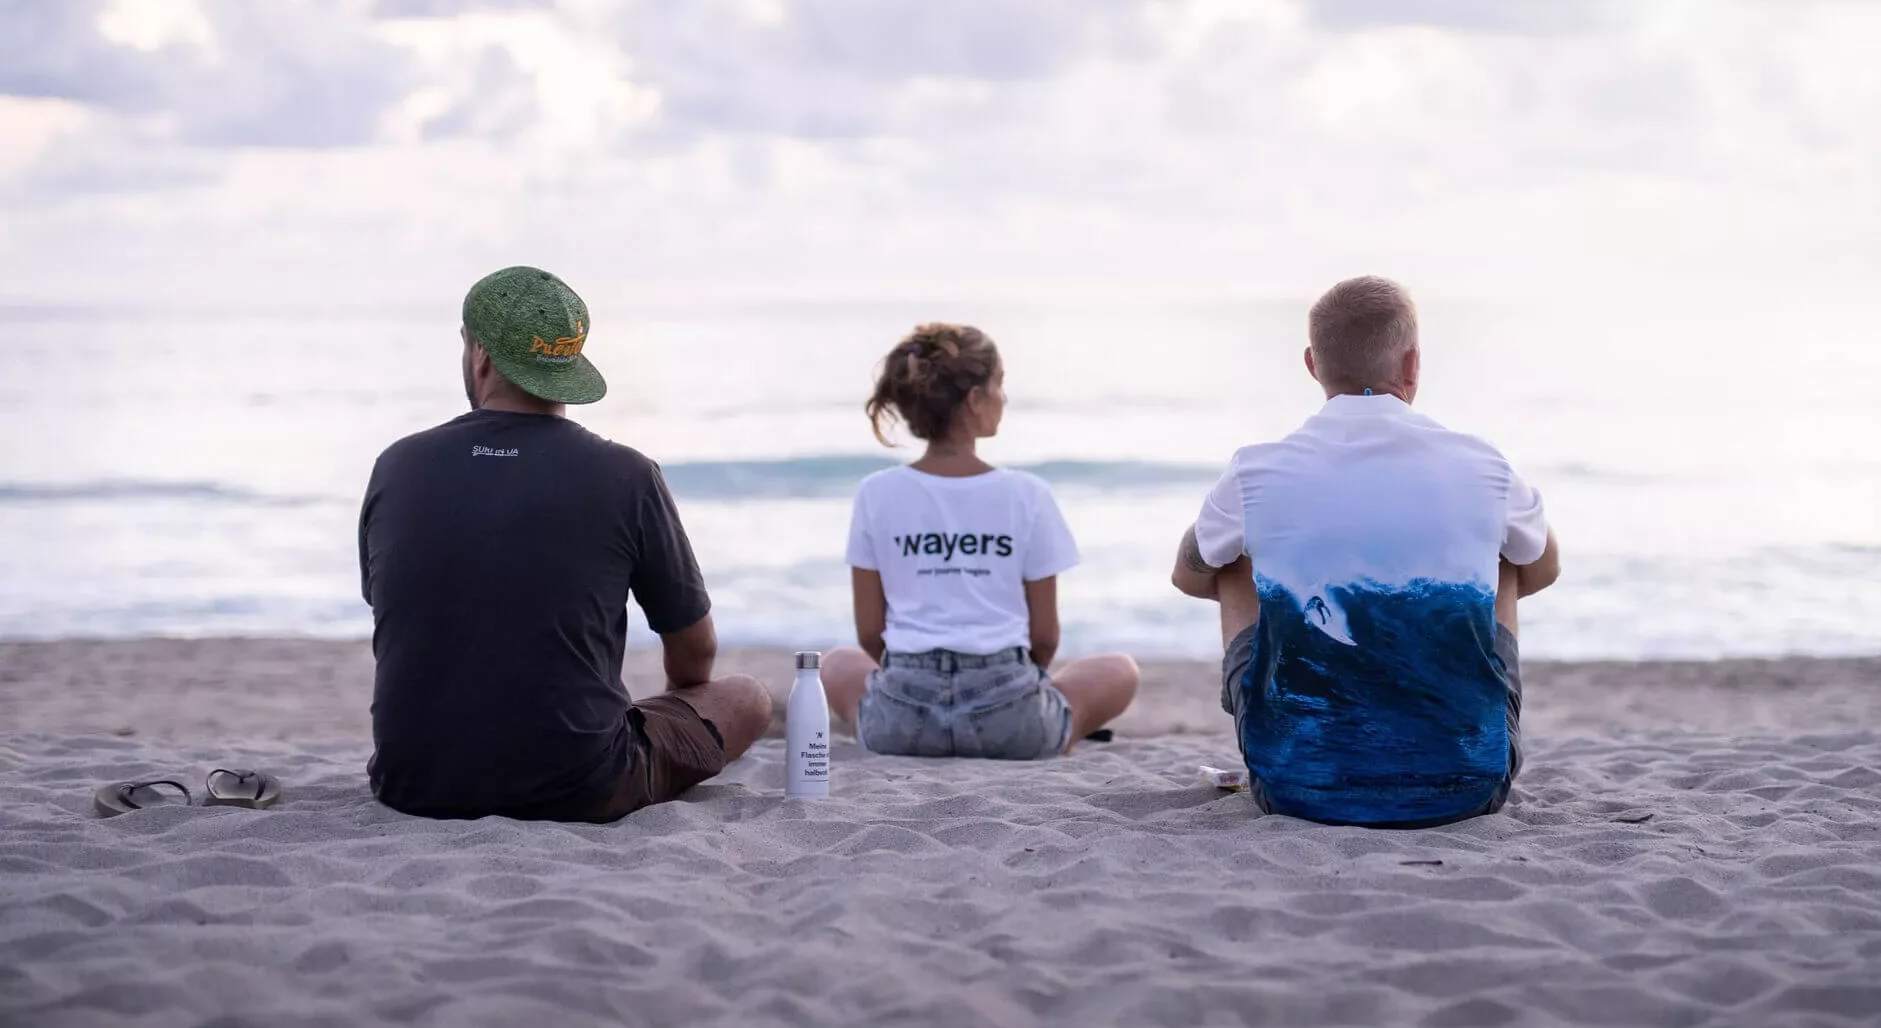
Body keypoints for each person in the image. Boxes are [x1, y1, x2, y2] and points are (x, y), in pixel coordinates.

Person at [358, 265, 771, 821]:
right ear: (569, 360)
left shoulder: (397, 465)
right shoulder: (625, 474)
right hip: (578, 787)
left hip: (411, 782)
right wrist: (679, 706)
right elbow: (695, 652)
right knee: (747, 696)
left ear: (480, 355)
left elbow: (398, 605)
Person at [1171, 277, 1560, 828]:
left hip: (1295, 788)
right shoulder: (1483, 464)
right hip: (1470, 787)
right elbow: (1542, 568)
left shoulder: (1256, 469)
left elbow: (1188, 578)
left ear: (1312, 364)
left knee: (1229, 559)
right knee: (1507, 557)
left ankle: (1279, 711)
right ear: (1413, 364)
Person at [820, 324, 1140, 758]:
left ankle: (911, 730)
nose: (1004, 398)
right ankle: (1054, 732)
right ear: (974, 399)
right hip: (1010, 715)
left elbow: (870, 633)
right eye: (999, 385)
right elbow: (1044, 638)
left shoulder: (875, 492)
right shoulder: (1027, 494)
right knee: (1120, 670)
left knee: (834, 663)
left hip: (900, 718)